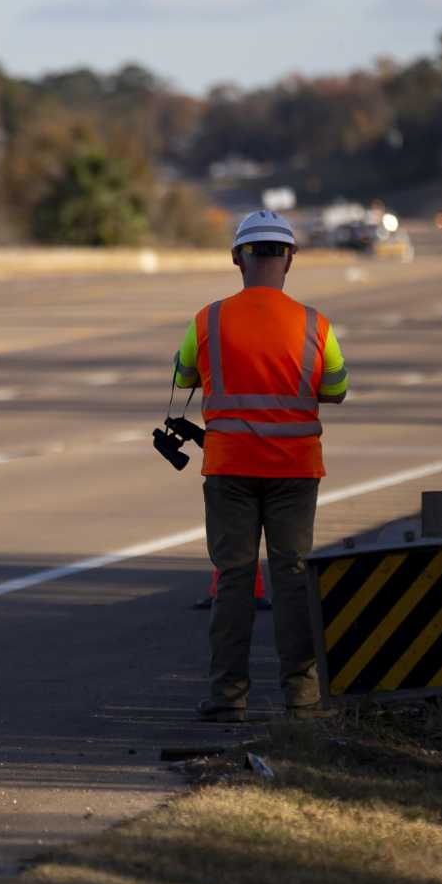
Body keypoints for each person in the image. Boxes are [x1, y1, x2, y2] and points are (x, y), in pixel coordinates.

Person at [171, 211, 348, 722]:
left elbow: (184, 376)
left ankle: (229, 697)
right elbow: (335, 390)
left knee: (233, 577)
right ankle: (303, 696)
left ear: (236, 259)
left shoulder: (208, 319)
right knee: (293, 577)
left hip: (229, 469)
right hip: (295, 470)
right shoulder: (317, 324)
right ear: (289, 260)